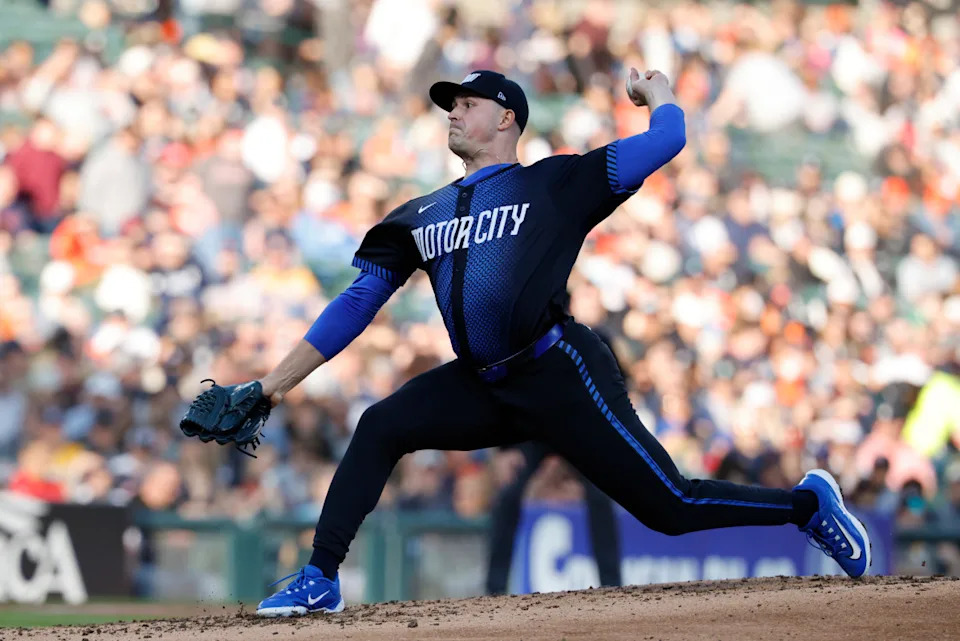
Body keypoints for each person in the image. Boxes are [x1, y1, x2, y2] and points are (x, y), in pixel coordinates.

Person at [250, 69, 871, 617]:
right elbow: (357, 302)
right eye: (451, 105)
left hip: (559, 371)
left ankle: (806, 506)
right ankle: (320, 578)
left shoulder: (556, 183)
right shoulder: (420, 214)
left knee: (672, 508)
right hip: (482, 383)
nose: (453, 112)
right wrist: (271, 387)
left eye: (467, 103)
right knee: (380, 424)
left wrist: (658, 94)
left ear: (506, 118)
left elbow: (667, 140)